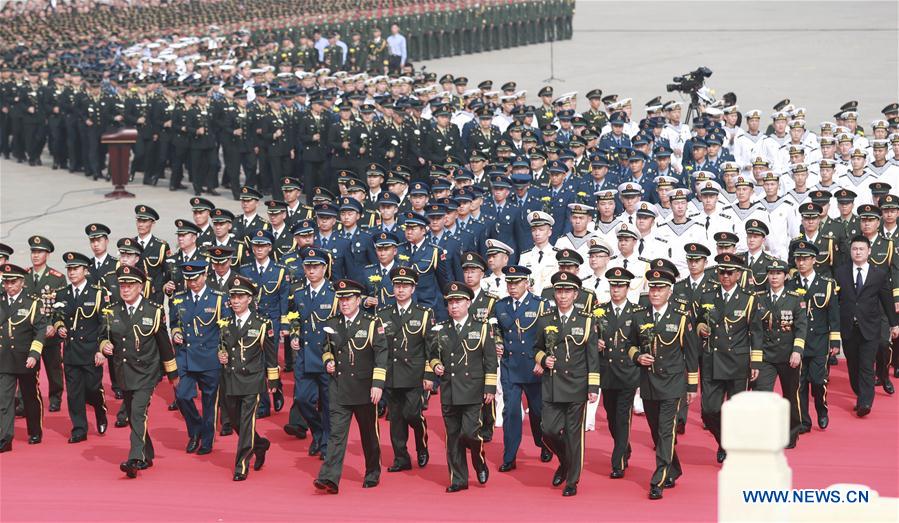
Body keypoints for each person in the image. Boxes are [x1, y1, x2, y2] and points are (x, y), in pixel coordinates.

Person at [99, 265, 179, 479]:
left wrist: (172, 374)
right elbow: (103, 336)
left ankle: (135, 458)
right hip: (123, 371)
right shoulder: (112, 310)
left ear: (141, 287)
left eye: (130, 285)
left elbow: (164, 344)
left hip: (146, 372)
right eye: (122, 286)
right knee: (136, 416)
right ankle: (148, 451)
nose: (125, 290)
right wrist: (104, 345)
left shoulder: (153, 311)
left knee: (136, 412)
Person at [314, 279, 388, 494]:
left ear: (358, 300)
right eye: (341, 299)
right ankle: (329, 478)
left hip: (364, 387)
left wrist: (378, 384)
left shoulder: (371, 323)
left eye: (348, 299)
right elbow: (326, 347)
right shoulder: (333, 323)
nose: (344, 303)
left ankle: (372, 471)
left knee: (369, 435)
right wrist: (328, 360)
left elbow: (381, 355)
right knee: (336, 435)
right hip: (339, 386)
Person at [533, 272, 599, 496]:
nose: (562, 296)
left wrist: (592, 388)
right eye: (559, 291)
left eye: (567, 291)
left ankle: (572, 480)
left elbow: (592, 357)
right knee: (548, 430)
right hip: (552, 384)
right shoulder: (545, 319)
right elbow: (536, 348)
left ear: (576, 294)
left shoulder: (586, 320)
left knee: (574, 435)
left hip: (576, 385)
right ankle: (564, 460)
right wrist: (543, 359)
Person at [635, 269, 699, 500]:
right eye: (652, 288)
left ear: (670, 292)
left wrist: (692, 386)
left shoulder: (680, 317)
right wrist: (637, 357)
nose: (655, 292)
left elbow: (691, 353)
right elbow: (631, 345)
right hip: (649, 383)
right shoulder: (641, 315)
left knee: (665, 431)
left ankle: (659, 479)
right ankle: (674, 467)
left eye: (660, 288)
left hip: (672, 384)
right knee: (656, 431)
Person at [430, 282, 496, 492]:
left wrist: (490, 387)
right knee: (453, 437)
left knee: (470, 434)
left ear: (468, 302)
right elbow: (432, 355)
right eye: (450, 302)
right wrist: (435, 365)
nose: (454, 306)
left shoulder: (481, 327)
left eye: (458, 301)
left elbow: (490, 360)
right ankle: (458, 479)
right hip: (450, 389)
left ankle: (479, 460)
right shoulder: (441, 329)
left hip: (472, 389)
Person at [695, 253, 760, 462]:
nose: (724, 276)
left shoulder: (748, 298)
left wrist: (756, 361)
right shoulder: (707, 296)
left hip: (737, 362)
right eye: (721, 272)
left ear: (738, 274)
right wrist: (699, 327)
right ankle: (724, 440)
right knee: (709, 411)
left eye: (729, 272)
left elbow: (756, 331)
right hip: (712, 361)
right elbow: (697, 319)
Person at [218, 275, 280, 481]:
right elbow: (223, 347)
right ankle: (260, 444)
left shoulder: (262, 323)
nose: (235, 301)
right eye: (233, 296)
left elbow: (271, 354)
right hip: (230, 378)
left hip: (252, 380)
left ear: (250, 299)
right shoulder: (225, 323)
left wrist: (273, 381)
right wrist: (221, 355)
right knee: (234, 421)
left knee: (246, 422)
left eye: (240, 297)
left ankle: (241, 464)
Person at [493, 265, 552, 472]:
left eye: (517, 282)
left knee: (538, 411)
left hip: (533, 367)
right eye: (509, 282)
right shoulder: (500, 306)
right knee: (510, 412)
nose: (512, 286)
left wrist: (542, 360)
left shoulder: (540, 304)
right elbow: (496, 328)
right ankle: (509, 456)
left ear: (526, 283)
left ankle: (543, 443)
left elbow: (548, 335)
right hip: (510, 366)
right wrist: (498, 343)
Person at [377, 266, 436, 472]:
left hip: (414, 374)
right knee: (396, 419)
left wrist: (429, 375)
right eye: (397, 286)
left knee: (412, 414)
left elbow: (431, 347)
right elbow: (379, 346)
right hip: (392, 373)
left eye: (405, 286)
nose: (400, 290)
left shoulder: (424, 314)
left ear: (413, 289)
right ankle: (401, 458)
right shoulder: (383, 313)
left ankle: (421, 445)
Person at [169, 261, 230, 455]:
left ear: (204, 276)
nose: (192, 283)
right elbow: (174, 321)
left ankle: (207, 440)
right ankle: (195, 429)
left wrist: (224, 351)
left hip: (209, 356)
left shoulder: (218, 299)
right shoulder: (179, 298)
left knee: (209, 402)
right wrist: (176, 332)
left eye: (195, 278)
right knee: (182, 396)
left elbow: (226, 329)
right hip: (186, 355)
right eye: (188, 279)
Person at [834, 235, 899, 417]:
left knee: (866, 365)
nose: (858, 252)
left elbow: (886, 300)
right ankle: (860, 393)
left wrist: (894, 324)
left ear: (869, 251)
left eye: (862, 249)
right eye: (855, 249)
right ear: (851, 251)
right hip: (848, 327)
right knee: (853, 365)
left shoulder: (879, 274)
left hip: (870, 326)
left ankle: (865, 402)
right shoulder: (841, 272)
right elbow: (834, 301)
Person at [751, 258, 808, 449]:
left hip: (787, 355)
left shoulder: (795, 298)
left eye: (778, 273)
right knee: (761, 394)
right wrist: (756, 359)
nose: (774, 277)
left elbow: (801, 327)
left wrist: (797, 351)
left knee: (791, 395)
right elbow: (755, 329)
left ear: (785, 276)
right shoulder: (759, 298)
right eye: (771, 273)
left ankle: (792, 432)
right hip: (766, 355)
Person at [53, 252, 109, 443]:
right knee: (75, 392)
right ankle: (79, 428)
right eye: (69, 269)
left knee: (92, 388)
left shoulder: (98, 293)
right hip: (70, 351)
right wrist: (59, 326)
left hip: (92, 350)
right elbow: (57, 316)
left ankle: (100, 409)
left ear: (85, 270)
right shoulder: (62, 294)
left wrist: (102, 350)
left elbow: (105, 323)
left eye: (75, 269)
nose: (71, 272)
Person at [287, 248, 336, 456]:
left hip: (327, 356)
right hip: (305, 356)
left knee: (327, 403)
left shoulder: (334, 295)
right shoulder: (298, 292)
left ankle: (325, 443)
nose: (312, 270)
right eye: (308, 266)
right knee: (302, 399)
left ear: (325, 268)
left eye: (316, 266)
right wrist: (294, 334)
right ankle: (317, 432)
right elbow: (293, 317)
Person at [789, 241, 840, 433]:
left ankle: (822, 409)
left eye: (805, 259)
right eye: (798, 259)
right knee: (799, 384)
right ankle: (804, 420)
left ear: (813, 260)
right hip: (797, 343)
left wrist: (835, 340)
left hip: (819, 340)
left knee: (818, 381)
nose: (801, 263)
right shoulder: (790, 284)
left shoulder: (826, 284)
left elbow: (833, 314)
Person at [596, 267, 642, 478]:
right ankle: (624, 446)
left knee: (623, 417)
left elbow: (643, 342)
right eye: (613, 285)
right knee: (612, 416)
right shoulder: (600, 311)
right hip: (607, 372)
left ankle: (618, 461)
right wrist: (595, 342)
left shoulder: (637, 312)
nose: (616, 289)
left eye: (620, 286)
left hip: (627, 372)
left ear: (627, 287)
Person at [0, 263, 48, 452]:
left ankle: (35, 431)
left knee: (30, 397)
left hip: (25, 358)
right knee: (4, 399)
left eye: (13, 282)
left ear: (21, 282)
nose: (9, 286)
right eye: (6, 283)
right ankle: (5, 437)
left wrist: (34, 354)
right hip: (4, 358)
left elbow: (40, 331)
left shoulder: (32, 303)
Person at [24, 235, 66, 412]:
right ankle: (26, 399)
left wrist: (53, 325)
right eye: (33, 251)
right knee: (28, 368)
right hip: (29, 332)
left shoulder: (57, 278)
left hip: (49, 333)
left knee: (53, 367)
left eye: (39, 252)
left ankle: (55, 396)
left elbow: (61, 306)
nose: (35, 255)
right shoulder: (23, 276)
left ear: (47, 254)